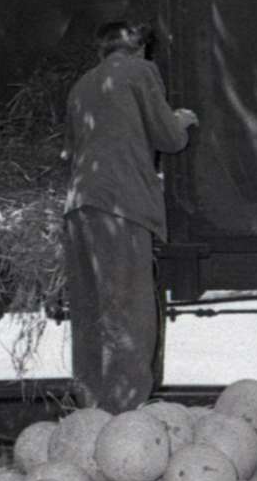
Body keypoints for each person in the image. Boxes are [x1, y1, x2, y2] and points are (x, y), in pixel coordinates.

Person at [63, 21, 197, 411]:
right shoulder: (140, 71)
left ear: (101, 49)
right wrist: (183, 119)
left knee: (89, 310)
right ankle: (126, 414)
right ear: (139, 49)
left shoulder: (82, 84)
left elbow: (69, 151)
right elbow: (169, 137)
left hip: (79, 206)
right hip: (120, 205)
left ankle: (91, 408)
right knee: (127, 312)